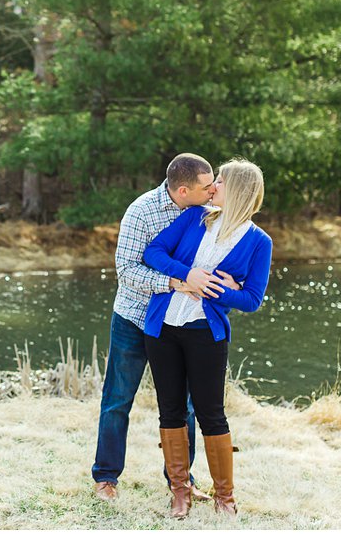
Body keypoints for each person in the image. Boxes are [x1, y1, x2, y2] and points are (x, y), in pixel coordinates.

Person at [92, 153, 239, 502]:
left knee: (183, 406)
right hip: (134, 317)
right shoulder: (142, 212)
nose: (214, 190)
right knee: (117, 399)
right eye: (207, 186)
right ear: (184, 189)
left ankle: (181, 483)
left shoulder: (208, 212)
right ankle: (106, 478)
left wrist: (231, 284)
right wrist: (174, 281)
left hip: (178, 325)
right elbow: (126, 272)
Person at [142, 159, 273, 518]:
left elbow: (251, 299)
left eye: (220, 181)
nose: (213, 186)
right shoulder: (195, 217)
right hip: (163, 328)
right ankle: (179, 493)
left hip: (206, 334)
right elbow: (152, 253)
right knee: (170, 410)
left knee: (211, 414)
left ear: (239, 190)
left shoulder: (259, 242)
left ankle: (225, 498)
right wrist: (188, 274)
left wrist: (214, 289)